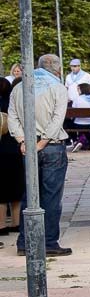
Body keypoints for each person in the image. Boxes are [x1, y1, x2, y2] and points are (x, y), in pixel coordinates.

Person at [9, 54, 71, 256]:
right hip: (51, 146)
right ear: (56, 68)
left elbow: (13, 117)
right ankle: (49, 242)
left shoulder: (19, 86)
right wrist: (43, 141)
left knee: (30, 195)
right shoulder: (58, 87)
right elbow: (57, 118)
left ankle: (25, 242)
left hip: (27, 145)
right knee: (51, 196)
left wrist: (22, 140)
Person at [0, 78, 24, 236]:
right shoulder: (14, 104)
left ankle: (1, 225)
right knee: (16, 188)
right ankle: (16, 223)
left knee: (1, 192)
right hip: (15, 149)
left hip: (0, 151)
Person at [70, 80, 90, 151]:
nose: (77, 91)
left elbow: (73, 111)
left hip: (79, 124)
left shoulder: (78, 99)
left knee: (67, 124)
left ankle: (76, 141)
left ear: (81, 89)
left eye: (78, 89)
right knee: (86, 127)